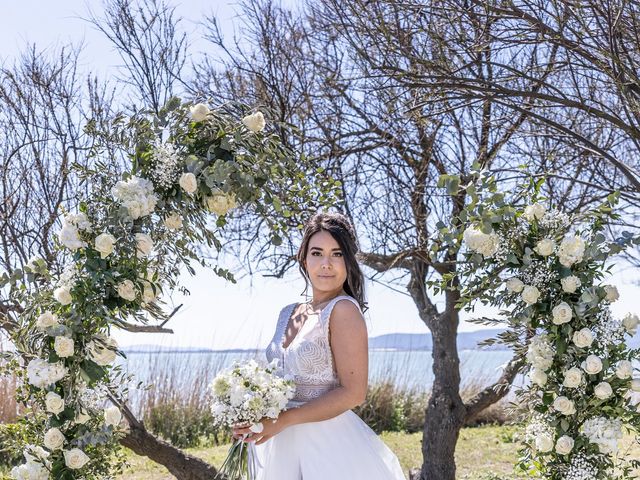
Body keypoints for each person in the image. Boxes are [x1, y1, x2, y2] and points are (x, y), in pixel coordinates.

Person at [232, 212, 406, 479]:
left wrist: (283, 420)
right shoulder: (290, 312)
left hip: (327, 448)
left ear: (349, 261)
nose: (326, 263)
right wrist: (251, 412)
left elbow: (354, 393)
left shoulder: (343, 310)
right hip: (280, 446)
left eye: (337, 254)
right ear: (304, 259)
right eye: (317, 253)